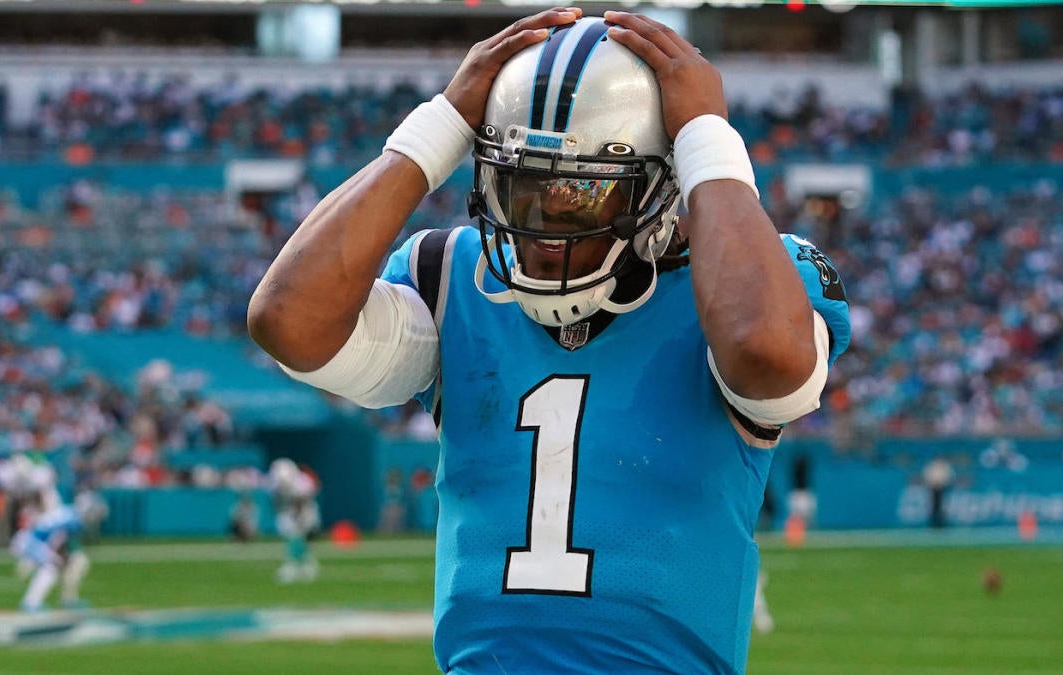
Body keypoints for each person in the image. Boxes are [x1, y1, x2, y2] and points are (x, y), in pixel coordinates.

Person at [248, 9, 850, 674]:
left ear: (661, 186)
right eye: (520, 191)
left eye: (579, 198)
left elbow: (766, 356)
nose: (540, 234)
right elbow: (288, 321)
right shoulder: (455, 278)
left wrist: (708, 140)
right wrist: (438, 127)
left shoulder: (756, 285)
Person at [9, 495, 89, 612]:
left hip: (31, 539)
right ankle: (31, 603)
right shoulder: (73, 519)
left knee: (57, 566)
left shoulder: (68, 512)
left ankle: (64, 599)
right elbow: (57, 538)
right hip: (32, 541)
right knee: (50, 569)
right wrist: (52, 556)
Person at [266, 458, 321, 584]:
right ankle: (304, 563)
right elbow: (275, 501)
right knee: (291, 535)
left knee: (297, 535)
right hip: (287, 509)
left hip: (305, 509)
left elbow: (303, 502)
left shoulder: (301, 483)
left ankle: (295, 564)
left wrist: (298, 517)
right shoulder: (275, 482)